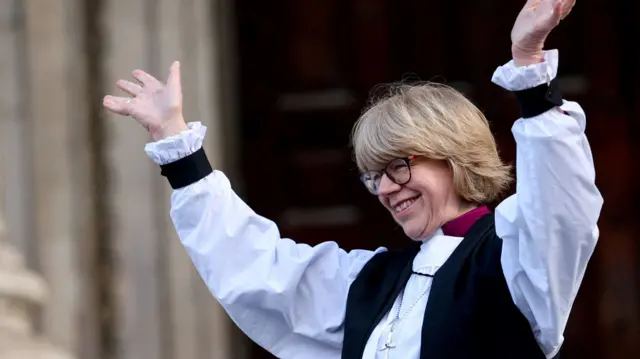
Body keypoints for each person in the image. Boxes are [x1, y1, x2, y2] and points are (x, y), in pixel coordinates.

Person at [103, 0, 602, 358]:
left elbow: (560, 211)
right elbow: (260, 272)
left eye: (398, 166)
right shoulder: (373, 284)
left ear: (453, 156)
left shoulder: (512, 259)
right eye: (373, 176)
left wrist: (531, 68)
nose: (385, 189)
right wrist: (178, 147)